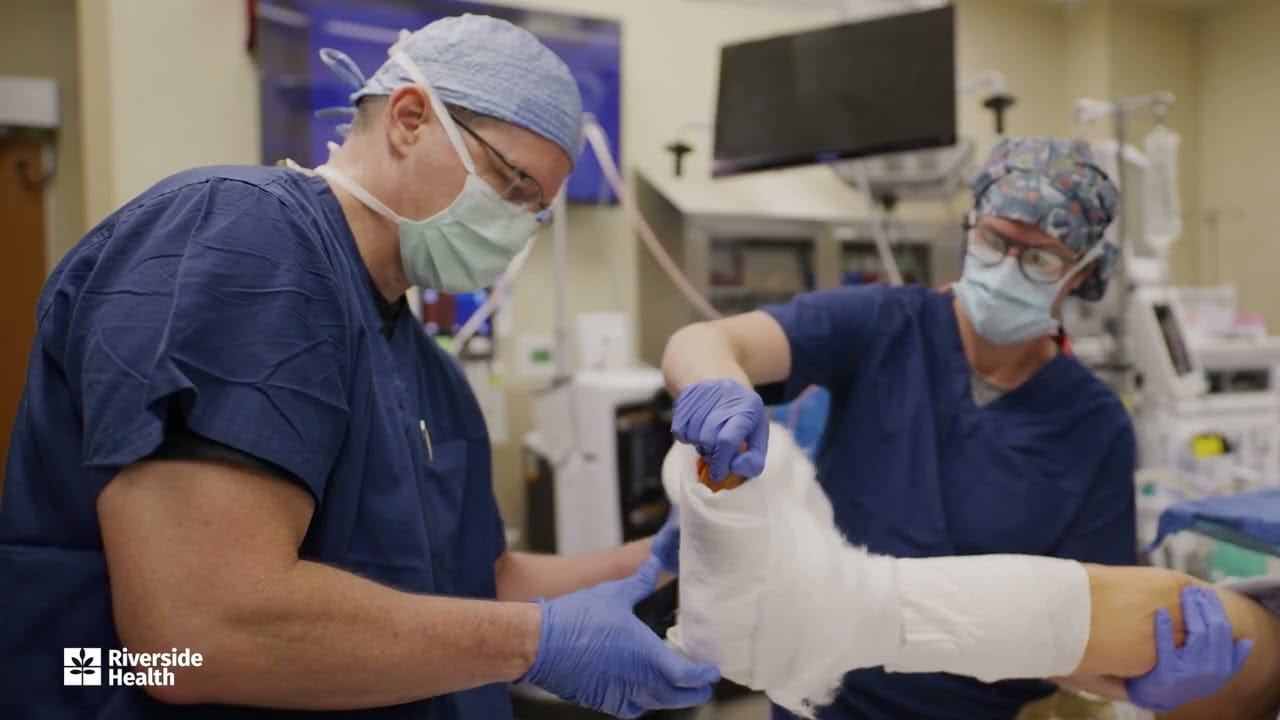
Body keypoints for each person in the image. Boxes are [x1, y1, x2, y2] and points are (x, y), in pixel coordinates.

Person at [0, 14, 714, 720]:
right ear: (408, 119)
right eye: (513, 184)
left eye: (539, 211)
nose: (521, 225)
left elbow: (475, 582)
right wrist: (534, 643)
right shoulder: (248, 242)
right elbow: (195, 638)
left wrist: (664, 559)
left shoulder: (429, 372)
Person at [662, 137, 1144, 719]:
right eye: (994, 239)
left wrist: (1147, 676)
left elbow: (1092, 622)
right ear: (970, 227)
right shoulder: (886, 324)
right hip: (826, 698)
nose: (1007, 267)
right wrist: (717, 389)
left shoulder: (1094, 425)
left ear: (1083, 273)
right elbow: (705, 340)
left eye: (1041, 259)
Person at [660, 424, 1280, 718]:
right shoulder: (893, 322)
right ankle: (839, 609)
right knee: (1193, 623)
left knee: (1189, 636)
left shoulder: (1090, 418)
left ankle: (839, 609)